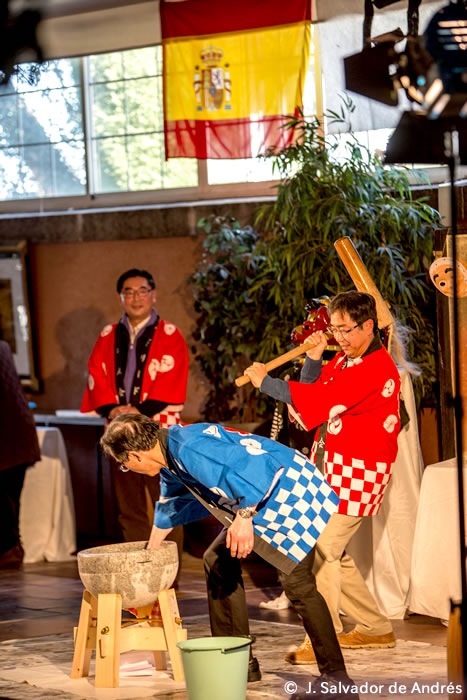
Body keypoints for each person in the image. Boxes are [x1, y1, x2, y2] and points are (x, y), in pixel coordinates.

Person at [100, 414, 359, 700]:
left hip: (286, 490)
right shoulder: (168, 451)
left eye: (124, 464)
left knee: (298, 584)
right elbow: (171, 504)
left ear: (134, 455)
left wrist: (244, 517)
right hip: (261, 496)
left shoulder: (189, 448)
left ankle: (337, 682)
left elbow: (258, 470)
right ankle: (238, 660)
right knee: (218, 561)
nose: (127, 469)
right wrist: (151, 552)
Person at [244, 291, 400, 664]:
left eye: (346, 330)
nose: (338, 337)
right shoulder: (346, 360)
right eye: (335, 329)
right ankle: (375, 626)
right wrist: (314, 358)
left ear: (368, 326)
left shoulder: (376, 367)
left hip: (360, 471)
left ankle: (321, 639)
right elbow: (312, 396)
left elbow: (318, 402)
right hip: (333, 467)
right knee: (333, 551)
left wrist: (265, 382)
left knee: (324, 548)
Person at [81, 268, 189, 545]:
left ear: (153, 295)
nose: (136, 298)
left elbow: (172, 378)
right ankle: (136, 562)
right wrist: (113, 410)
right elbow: (96, 374)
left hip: (159, 426)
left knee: (168, 500)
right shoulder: (108, 334)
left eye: (142, 291)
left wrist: (137, 412)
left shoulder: (170, 334)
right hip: (118, 429)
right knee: (128, 503)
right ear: (121, 297)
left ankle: (169, 565)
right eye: (128, 292)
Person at [0, 340, 40, 568]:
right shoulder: (3, 347)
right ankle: (11, 549)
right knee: (9, 501)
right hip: (16, 439)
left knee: (6, 501)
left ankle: (10, 550)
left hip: (9, 441)